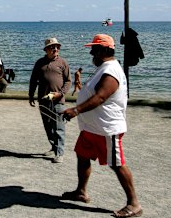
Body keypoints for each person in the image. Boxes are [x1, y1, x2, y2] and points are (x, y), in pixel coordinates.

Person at [61, 34, 142, 218]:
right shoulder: (104, 68)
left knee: (117, 164)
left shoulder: (111, 70)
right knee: (82, 155)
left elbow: (101, 97)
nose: (92, 53)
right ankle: (81, 192)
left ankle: (134, 204)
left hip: (107, 129)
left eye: (95, 49)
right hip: (91, 128)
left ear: (105, 50)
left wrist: (76, 110)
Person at [28, 37, 72, 163]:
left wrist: (61, 93)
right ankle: (54, 147)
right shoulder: (39, 63)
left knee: (59, 126)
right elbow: (33, 80)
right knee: (48, 126)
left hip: (58, 100)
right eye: (52, 47)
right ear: (46, 49)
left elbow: (68, 81)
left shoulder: (63, 63)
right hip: (43, 99)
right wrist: (31, 95)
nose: (55, 49)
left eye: (57, 47)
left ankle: (60, 153)